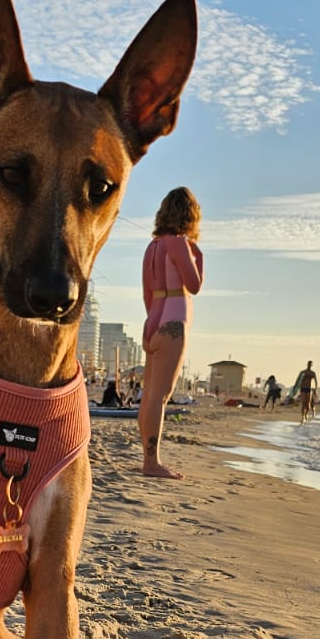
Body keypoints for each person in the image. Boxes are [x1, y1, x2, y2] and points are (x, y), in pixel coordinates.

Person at [139, 186, 203, 477]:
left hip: (153, 319)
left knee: (149, 395)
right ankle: (151, 463)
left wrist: (154, 320)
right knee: (160, 397)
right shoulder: (179, 244)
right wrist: (197, 255)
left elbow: (147, 293)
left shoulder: (152, 247)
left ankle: (148, 459)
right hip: (173, 321)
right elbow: (194, 284)